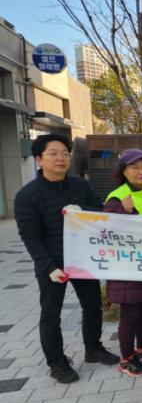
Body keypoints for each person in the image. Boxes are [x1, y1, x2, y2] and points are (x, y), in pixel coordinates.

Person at [14, 134, 118, 384]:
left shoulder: (80, 186)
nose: (60, 158)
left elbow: (100, 212)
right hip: (52, 264)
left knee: (92, 305)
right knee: (52, 314)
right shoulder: (27, 195)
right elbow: (30, 237)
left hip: (82, 259)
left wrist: (82, 211)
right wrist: (48, 267)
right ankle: (57, 362)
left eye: (64, 153)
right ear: (39, 160)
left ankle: (93, 349)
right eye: (53, 153)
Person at [103, 149, 142, 377]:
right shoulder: (118, 197)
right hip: (128, 266)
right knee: (130, 314)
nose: (141, 172)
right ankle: (126, 358)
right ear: (124, 172)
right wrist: (124, 211)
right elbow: (108, 231)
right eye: (134, 167)